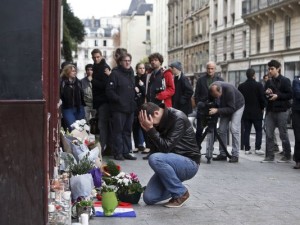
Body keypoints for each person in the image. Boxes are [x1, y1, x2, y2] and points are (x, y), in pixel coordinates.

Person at [138, 102, 200, 207]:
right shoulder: (158, 120)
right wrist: (149, 130)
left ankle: (181, 193)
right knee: (149, 198)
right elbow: (155, 149)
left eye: (150, 121)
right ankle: (173, 185)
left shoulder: (177, 118)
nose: (151, 125)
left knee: (155, 158)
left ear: (156, 113)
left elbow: (166, 147)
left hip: (189, 163)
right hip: (171, 163)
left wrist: (150, 129)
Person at [106, 53, 137, 160]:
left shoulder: (131, 73)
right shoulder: (115, 74)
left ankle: (126, 151)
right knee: (118, 131)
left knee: (128, 131)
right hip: (119, 108)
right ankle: (118, 152)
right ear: (120, 62)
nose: (127, 62)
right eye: (125, 60)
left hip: (130, 107)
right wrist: (119, 100)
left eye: (129, 60)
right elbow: (109, 91)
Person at [262, 59, 292, 163]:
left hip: (282, 110)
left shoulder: (285, 80)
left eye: (272, 69)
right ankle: (269, 156)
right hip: (271, 110)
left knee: (283, 134)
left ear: (278, 69)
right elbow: (264, 95)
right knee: (269, 134)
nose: (269, 71)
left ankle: (287, 155)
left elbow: (290, 95)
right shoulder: (269, 81)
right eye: (269, 69)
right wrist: (267, 93)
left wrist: (277, 96)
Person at [209, 81, 245, 163]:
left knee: (234, 129)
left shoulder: (229, 90)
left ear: (220, 91)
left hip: (237, 106)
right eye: (214, 96)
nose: (216, 98)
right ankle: (223, 154)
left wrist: (217, 110)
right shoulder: (211, 89)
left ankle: (235, 155)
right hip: (225, 107)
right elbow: (210, 101)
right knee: (221, 130)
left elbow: (231, 109)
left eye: (217, 96)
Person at [194, 61, 223, 148]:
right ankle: (197, 148)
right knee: (199, 130)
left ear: (215, 69)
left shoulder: (220, 81)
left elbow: (222, 95)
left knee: (213, 130)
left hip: (214, 109)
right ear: (206, 69)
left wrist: (218, 106)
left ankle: (210, 148)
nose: (210, 70)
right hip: (202, 109)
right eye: (208, 68)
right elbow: (196, 95)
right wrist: (199, 104)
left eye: (212, 68)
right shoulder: (200, 80)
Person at [238, 68, 266, 155]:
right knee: (258, 130)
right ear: (254, 75)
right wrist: (263, 107)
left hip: (245, 112)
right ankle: (257, 148)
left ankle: (247, 148)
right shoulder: (259, 85)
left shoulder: (241, 86)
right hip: (257, 111)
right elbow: (262, 98)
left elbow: (240, 100)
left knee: (247, 130)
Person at [91, 49, 111, 153]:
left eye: (98, 57)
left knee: (102, 125)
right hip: (98, 101)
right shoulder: (94, 67)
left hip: (104, 101)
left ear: (101, 56)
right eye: (94, 57)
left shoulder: (104, 67)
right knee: (99, 125)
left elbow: (105, 85)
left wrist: (92, 80)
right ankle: (103, 147)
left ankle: (102, 148)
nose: (96, 59)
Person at [60, 64, 85, 131]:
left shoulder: (78, 82)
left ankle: (79, 141)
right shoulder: (62, 82)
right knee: (73, 128)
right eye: (72, 71)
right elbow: (60, 95)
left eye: (75, 71)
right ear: (67, 72)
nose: (75, 72)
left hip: (79, 108)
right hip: (67, 108)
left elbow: (82, 94)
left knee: (80, 129)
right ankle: (73, 141)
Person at [132, 62, 147, 153]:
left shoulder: (147, 78)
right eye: (140, 68)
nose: (142, 70)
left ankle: (144, 144)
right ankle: (137, 145)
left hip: (143, 105)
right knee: (135, 125)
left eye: (143, 68)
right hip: (134, 105)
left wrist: (142, 86)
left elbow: (147, 92)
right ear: (136, 69)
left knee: (143, 125)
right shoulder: (133, 79)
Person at [292, 76, 300, 169]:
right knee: (298, 137)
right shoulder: (296, 81)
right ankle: (298, 160)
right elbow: (298, 94)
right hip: (297, 112)